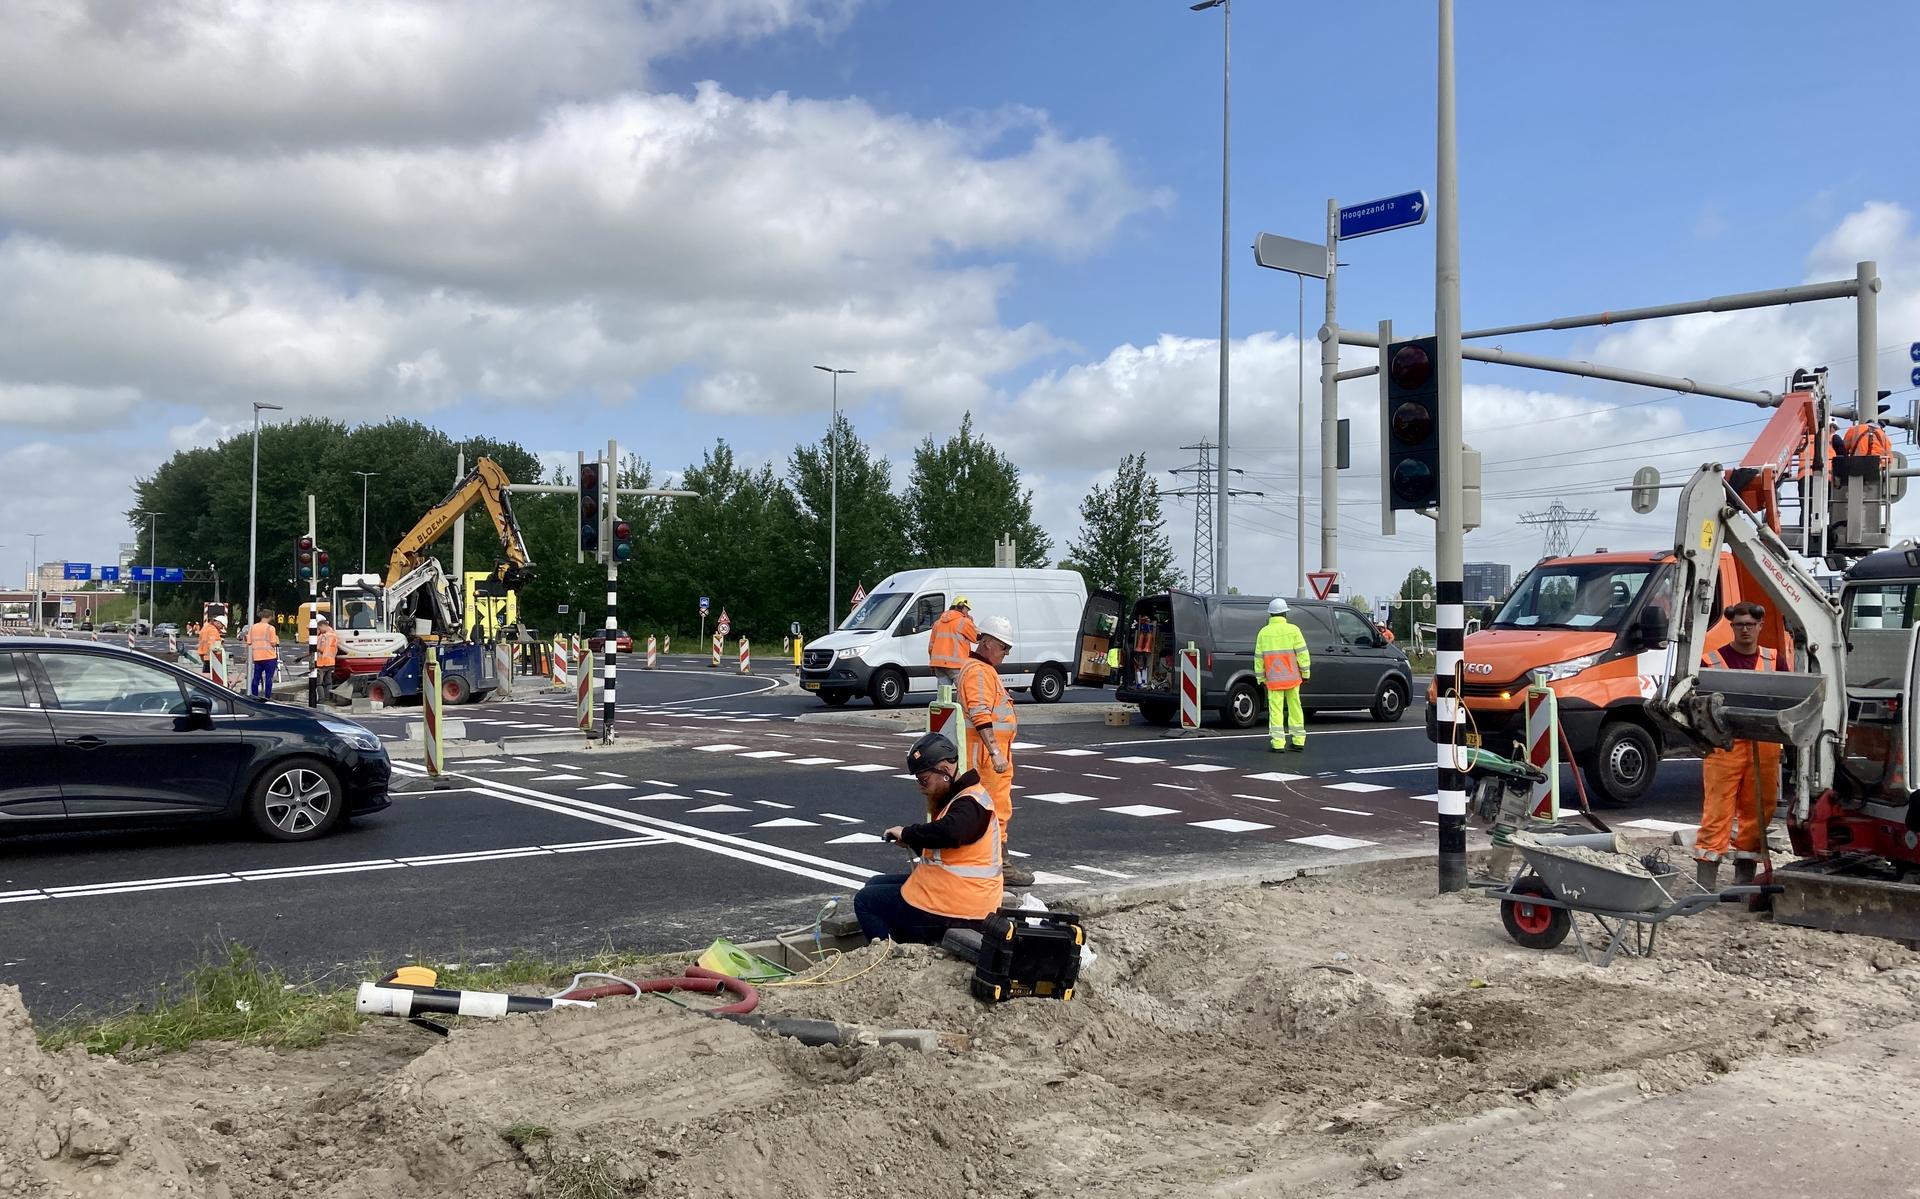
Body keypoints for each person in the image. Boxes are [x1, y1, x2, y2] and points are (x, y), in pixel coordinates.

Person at [853, 732, 1003, 944]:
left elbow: (950, 832)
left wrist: (908, 833)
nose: (920, 787)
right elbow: (948, 851)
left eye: (924, 780)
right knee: (874, 884)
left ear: (945, 771)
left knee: (865, 901)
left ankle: (892, 958)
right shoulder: (961, 798)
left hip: (963, 911)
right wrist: (912, 841)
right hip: (959, 894)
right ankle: (905, 941)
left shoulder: (971, 804)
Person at [1694, 601, 1781, 891]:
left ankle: (1744, 878)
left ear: (1760, 627)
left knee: (1759, 808)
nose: (1744, 630)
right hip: (1724, 744)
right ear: (1732, 627)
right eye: (1739, 625)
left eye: (1749, 625)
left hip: (1764, 744)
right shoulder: (1712, 660)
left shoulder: (1773, 659)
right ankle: (1705, 881)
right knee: (1717, 810)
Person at [957, 614, 1018, 840]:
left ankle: (998, 860)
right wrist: (995, 752)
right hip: (986, 759)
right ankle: (999, 863)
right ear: (988, 642)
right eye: (1004, 647)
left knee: (995, 809)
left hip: (988, 756)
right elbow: (979, 712)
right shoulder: (978, 671)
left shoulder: (983, 669)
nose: (1006, 653)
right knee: (992, 809)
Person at [1255, 598, 1312, 752]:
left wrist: (1260, 678)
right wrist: (1305, 673)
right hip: (1292, 678)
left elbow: (1259, 658)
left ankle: (1278, 743)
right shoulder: (1293, 630)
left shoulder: (1263, 633)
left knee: (1276, 711)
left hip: (1273, 680)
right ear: (1285, 613)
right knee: (1295, 708)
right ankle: (1298, 740)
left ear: (1270, 615)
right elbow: (1302, 654)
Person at [927, 596, 977, 689]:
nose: (967, 612)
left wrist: (932, 664)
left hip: (939, 665)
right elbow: (977, 638)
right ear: (960, 606)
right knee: (964, 693)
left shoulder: (938, 623)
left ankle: (943, 704)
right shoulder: (964, 622)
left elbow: (931, 647)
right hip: (957, 665)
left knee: (943, 697)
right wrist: (971, 621)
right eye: (967, 609)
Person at [245, 610, 281, 698]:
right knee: (268, 678)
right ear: (270, 617)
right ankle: (267, 697)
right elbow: (273, 643)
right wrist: (276, 640)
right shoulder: (270, 628)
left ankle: (254, 696)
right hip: (269, 657)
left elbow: (249, 642)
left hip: (257, 657)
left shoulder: (253, 627)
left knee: (256, 678)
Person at [311, 618, 340, 692]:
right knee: (329, 682)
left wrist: (315, 647)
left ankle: (321, 699)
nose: (320, 630)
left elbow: (321, 649)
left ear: (323, 626)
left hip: (322, 663)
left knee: (319, 683)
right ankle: (328, 697)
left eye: (319, 628)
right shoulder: (334, 635)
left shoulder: (323, 636)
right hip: (331, 662)